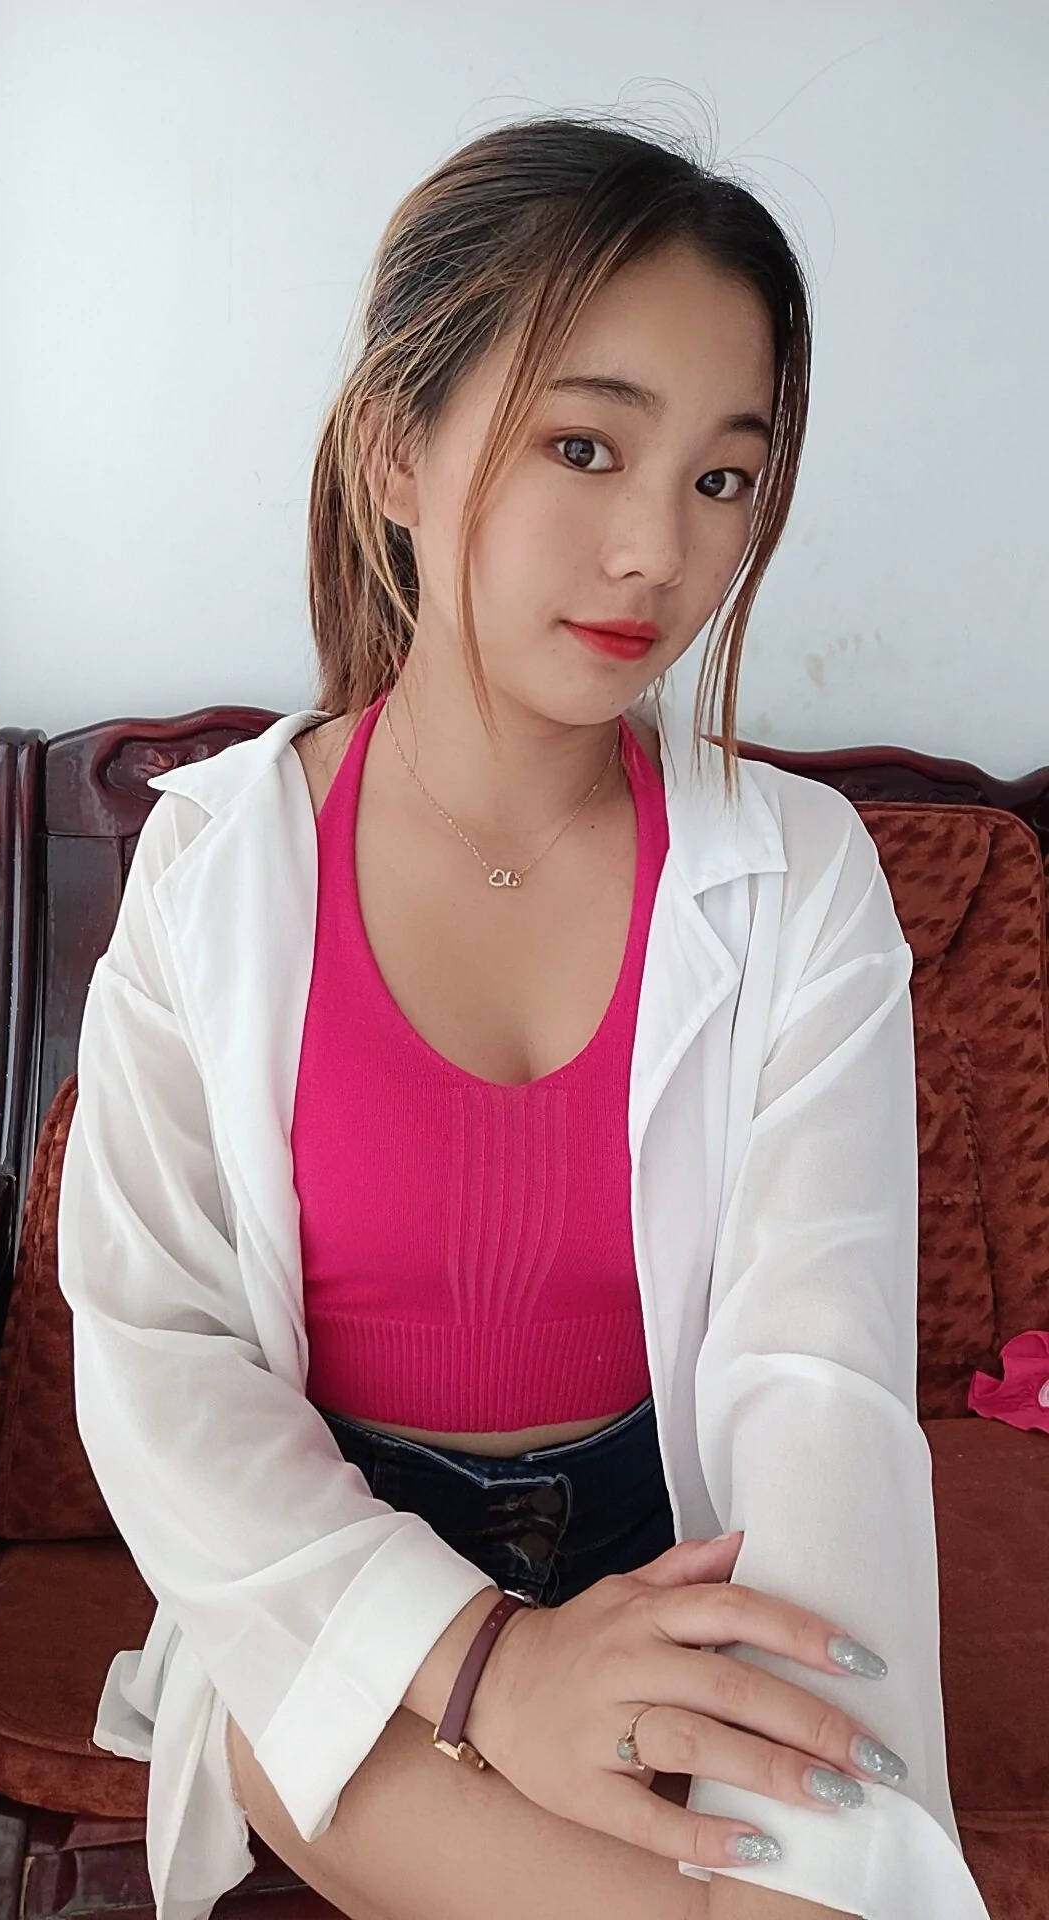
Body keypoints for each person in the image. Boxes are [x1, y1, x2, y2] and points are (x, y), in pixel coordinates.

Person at [56, 112, 991, 1920]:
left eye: (724, 477)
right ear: (396, 449)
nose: (658, 549)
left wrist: (822, 1810)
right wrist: (488, 1662)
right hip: (334, 1615)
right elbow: (161, 1361)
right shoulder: (217, 869)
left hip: (682, 1570)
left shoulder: (800, 878)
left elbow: (817, 1381)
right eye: (585, 444)